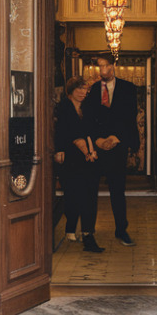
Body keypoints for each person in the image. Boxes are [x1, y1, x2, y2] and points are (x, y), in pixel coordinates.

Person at [82, 52, 141, 246]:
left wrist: (118, 138)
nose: (104, 70)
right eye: (100, 66)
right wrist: (98, 140)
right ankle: (88, 231)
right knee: (90, 190)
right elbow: (88, 119)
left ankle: (121, 230)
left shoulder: (128, 88)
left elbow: (129, 117)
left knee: (118, 190)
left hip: (117, 146)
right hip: (97, 148)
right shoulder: (92, 90)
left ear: (114, 65)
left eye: (107, 66)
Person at [54, 76, 103, 252]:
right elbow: (60, 132)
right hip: (70, 158)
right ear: (71, 90)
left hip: (89, 156)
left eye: (86, 89)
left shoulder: (87, 107)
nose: (83, 93)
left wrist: (92, 149)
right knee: (73, 196)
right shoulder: (63, 107)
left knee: (89, 195)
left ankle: (88, 234)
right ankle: (70, 227)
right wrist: (60, 150)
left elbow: (91, 129)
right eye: (80, 89)